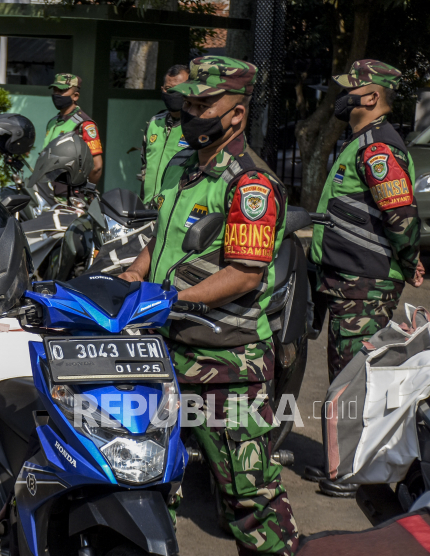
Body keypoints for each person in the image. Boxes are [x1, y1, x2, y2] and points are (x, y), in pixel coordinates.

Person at [118, 56, 299, 555]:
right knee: (152, 479)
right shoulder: (182, 166)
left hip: (226, 362)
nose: (192, 113)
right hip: (163, 352)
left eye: (205, 104)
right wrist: (133, 275)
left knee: (248, 496)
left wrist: (171, 298)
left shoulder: (250, 183)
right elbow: (162, 239)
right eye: (190, 103)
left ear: (237, 114)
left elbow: (245, 273)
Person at [303, 59, 424, 497]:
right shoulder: (361, 143)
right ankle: (342, 464)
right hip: (349, 279)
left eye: (348, 90)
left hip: (366, 281)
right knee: (345, 375)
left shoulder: (377, 148)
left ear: (370, 97)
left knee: (357, 378)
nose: (340, 97)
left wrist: (409, 260)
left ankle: (352, 472)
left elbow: (402, 215)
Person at [140, 64, 190, 206]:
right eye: (169, 89)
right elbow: (145, 166)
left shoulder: (195, 126)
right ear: (162, 90)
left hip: (175, 210)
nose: (174, 93)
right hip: (148, 208)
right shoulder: (154, 123)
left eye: (179, 89)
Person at [43, 73, 103, 183]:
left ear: (75, 96)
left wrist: (86, 191)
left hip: (70, 194)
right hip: (47, 191)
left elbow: (96, 167)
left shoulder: (84, 124)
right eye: (55, 90)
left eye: (62, 91)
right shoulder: (53, 122)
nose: (57, 94)